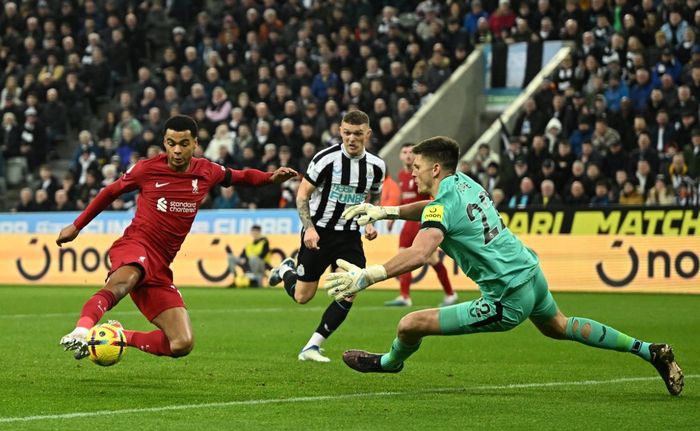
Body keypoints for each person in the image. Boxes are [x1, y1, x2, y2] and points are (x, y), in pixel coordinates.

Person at [324, 136, 683, 396]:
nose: (412, 175)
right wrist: (387, 210)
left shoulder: (440, 206)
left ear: (435, 168)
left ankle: (389, 363)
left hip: (505, 298)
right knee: (559, 325)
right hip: (530, 273)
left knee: (408, 325)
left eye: (416, 168)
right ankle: (648, 350)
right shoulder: (464, 182)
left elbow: (420, 252)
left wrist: (368, 276)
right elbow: (433, 206)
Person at [57, 115, 298, 360]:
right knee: (122, 283)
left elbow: (241, 176)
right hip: (136, 245)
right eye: (171, 143)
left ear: (195, 143)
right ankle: (82, 330)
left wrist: (270, 177)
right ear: (164, 142)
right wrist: (77, 226)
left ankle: (118, 335)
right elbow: (110, 192)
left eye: (183, 144)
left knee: (181, 343)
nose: (177, 150)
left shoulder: (207, 171)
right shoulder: (147, 168)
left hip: (160, 266)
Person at [267, 110, 386, 363]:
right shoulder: (325, 160)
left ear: (368, 134)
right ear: (340, 131)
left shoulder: (376, 167)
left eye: (357, 133)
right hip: (319, 233)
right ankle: (287, 269)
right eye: (346, 133)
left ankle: (312, 345)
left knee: (350, 289)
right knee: (302, 297)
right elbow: (302, 194)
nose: (351, 138)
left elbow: (374, 197)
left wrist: (371, 221)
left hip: (350, 237)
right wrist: (309, 228)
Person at [384, 143, 457, 307]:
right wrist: (393, 217)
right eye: (405, 152)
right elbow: (405, 200)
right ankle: (405, 296)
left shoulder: (422, 175)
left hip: (421, 221)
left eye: (411, 152)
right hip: (407, 224)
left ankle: (450, 293)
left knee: (431, 259)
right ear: (400, 156)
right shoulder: (402, 175)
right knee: (405, 256)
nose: (408, 155)